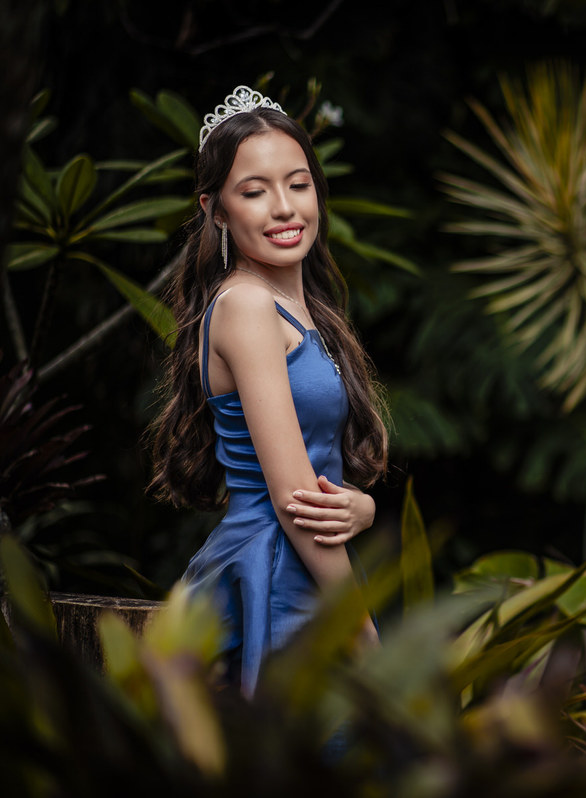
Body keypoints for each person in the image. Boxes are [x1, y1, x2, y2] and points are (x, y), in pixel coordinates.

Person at [148, 85, 388, 694]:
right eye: (254, 192)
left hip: (303, 563)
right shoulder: (248, 305)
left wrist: (364, 507)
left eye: (298, 183)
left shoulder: (302, 309)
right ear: (216, 210)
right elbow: (293, 500)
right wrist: (364, 638)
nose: (284, 207)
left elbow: (316, 475)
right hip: (275, 573)